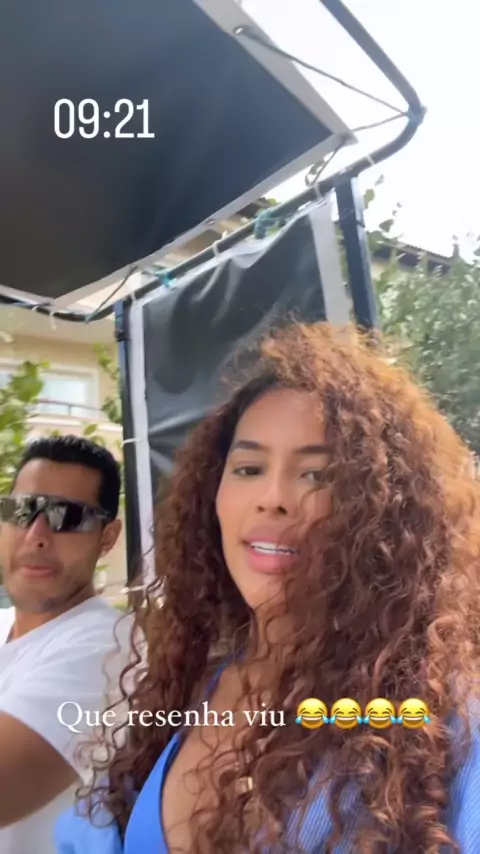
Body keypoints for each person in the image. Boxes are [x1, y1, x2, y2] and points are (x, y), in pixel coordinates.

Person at [55, 323, 480, 854]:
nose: (273, 497)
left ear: (387, 514)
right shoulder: (187, 687)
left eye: (319, 475)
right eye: (249, 468)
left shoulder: (448, 723)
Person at [0, 435, 132, 854]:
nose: (36, 535)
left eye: (67, 516)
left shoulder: (112, 648)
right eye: (23, 511)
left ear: (108, 537)